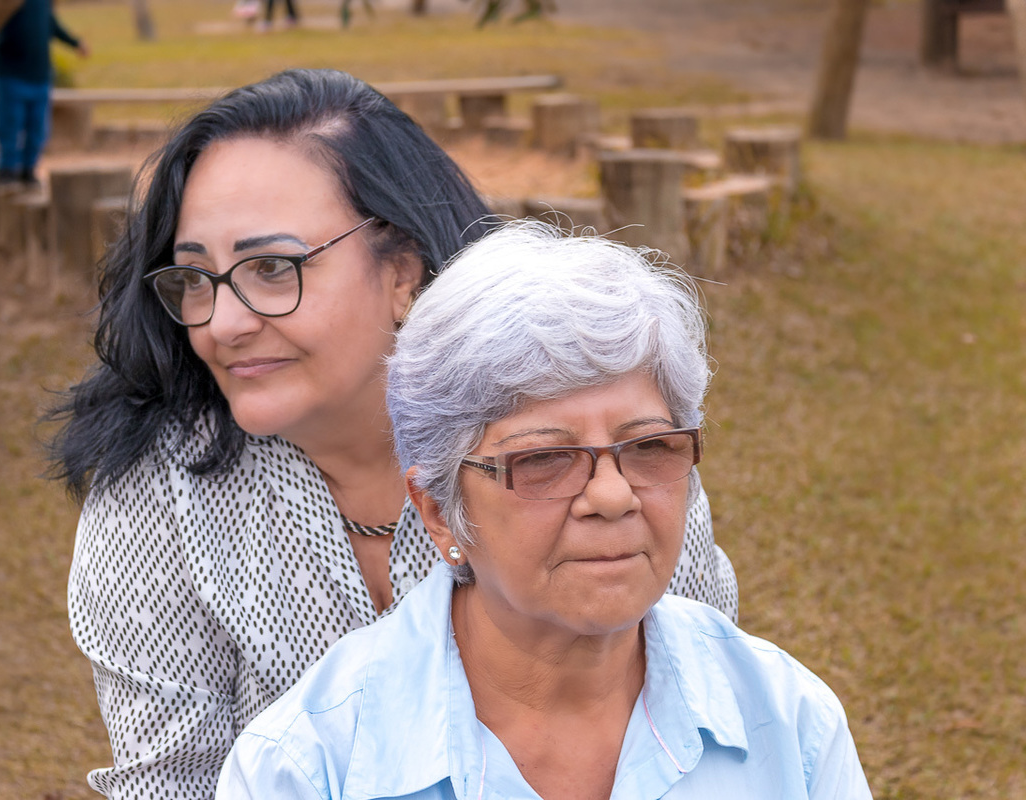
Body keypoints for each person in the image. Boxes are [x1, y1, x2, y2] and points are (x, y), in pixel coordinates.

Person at [48, 69, 737, 799]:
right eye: (196, 279)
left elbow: (700, 722)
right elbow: (172, 787)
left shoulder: (595, 453)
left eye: (273, 268)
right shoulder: (158, 500)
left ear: (404, 270)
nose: (223, 323)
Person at [219, 222, 871, 799]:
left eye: (649, 447)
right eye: (542, 461)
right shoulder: (303, 770)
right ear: (440, 511)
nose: (613, 496)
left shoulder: (790, 725)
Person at [0, 0, 88, 188]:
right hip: (11, 74)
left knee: (37, 128)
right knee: (10, 125)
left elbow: (50, 24)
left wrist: (75, 43)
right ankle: (8, 173)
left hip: (39, 75)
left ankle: (29, 171)